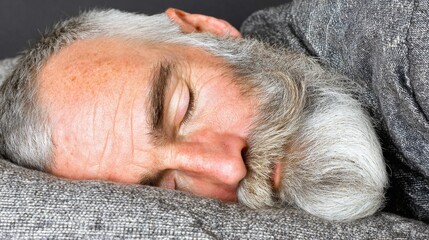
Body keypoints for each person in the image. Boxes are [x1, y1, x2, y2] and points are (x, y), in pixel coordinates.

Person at [0, 8, 388, 222]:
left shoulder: (396, 33)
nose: (227, 170)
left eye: (183, 108)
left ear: (207, 29)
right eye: (166, 188)